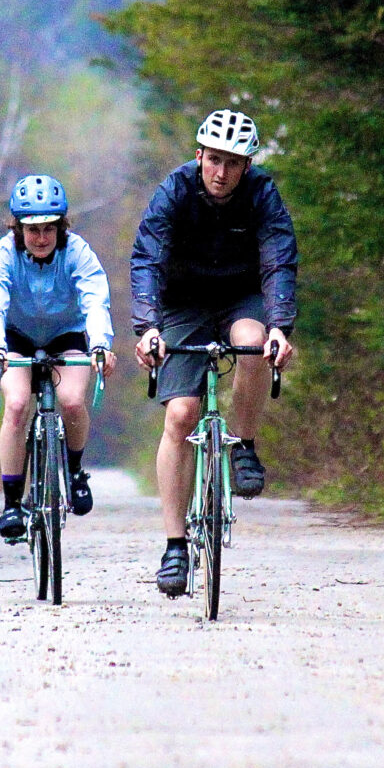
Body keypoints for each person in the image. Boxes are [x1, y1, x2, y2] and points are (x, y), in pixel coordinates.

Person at [131, 108, 298, 597]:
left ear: (246, 166)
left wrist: (280, 328)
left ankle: (243, 447)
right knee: (180, 415)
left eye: (233, 163)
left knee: (252, 343)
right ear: (198, 155)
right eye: (213, 160)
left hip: (241, 297)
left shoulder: (263, 194)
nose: (221, 173)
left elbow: (279, 259)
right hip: (183, 302)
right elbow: (148, 258)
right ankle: (175, 546)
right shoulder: (174, 191)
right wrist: (147, 328)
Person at [0, 174, 118, 541]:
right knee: (18, 404)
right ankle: (11, 504)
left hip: (65, 336)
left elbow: (94, 298)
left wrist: (101, 344)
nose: (40, 238)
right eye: (32, 229)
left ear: (61, 228)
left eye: (49, 230)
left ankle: (73, 472)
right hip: (15, 339)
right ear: (18, 228)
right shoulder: (3, 254)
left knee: (71, 401)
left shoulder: (78, 252)